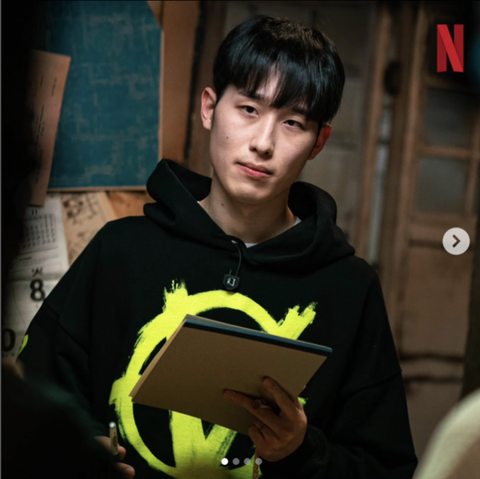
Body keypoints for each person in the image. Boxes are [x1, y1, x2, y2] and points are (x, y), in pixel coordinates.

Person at [19, 15, 418, 479]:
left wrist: (301, 450)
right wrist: (79, 453)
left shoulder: (349, 288)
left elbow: (386, 467)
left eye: (292, 122)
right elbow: (31, 400)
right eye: (248, 109)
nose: (263, 143)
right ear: (209, 108)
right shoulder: (121, 250)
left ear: (318, 142)